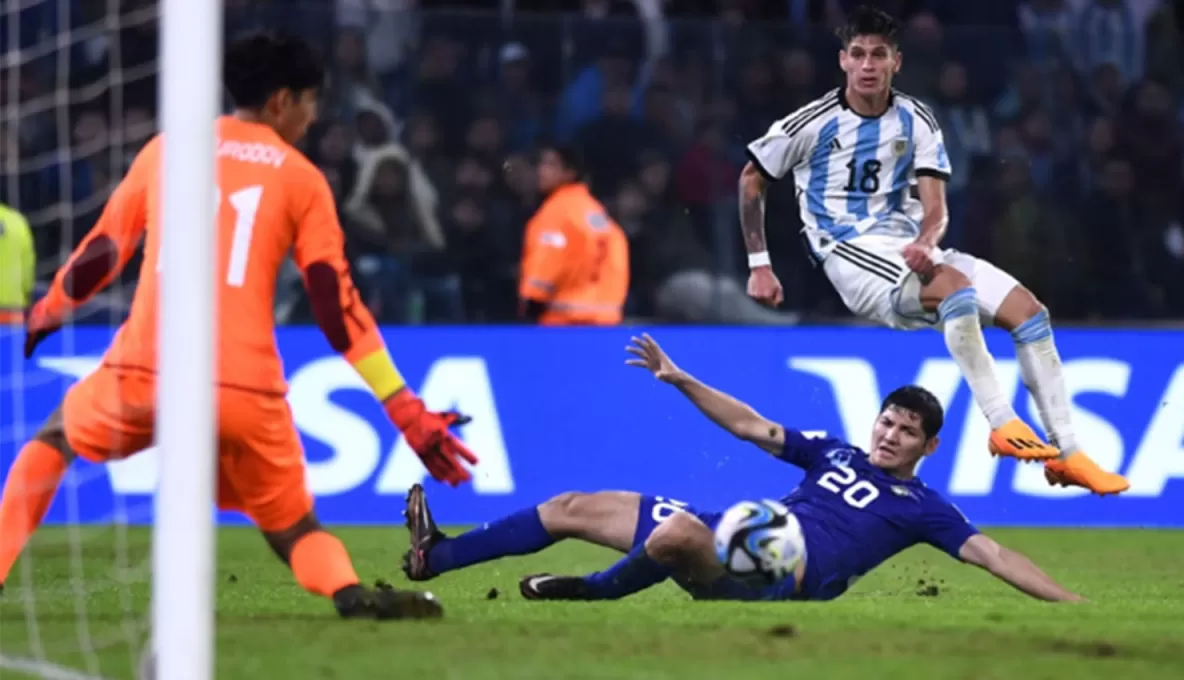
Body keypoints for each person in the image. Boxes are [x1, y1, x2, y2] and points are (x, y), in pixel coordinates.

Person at [0, 34, 478, 620]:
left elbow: (103, 251)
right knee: (295, 528)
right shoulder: (302, 180)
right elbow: (334, 304)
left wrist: (49, 309)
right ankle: (349, 594)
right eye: (310, 101)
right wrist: (402, 406)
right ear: (281, 101)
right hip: (244, 386)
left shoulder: (167, 150)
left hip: (147, 367)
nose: (314, 114)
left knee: (53, 440)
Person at [736, 7, 1126, 495]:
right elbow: (752, 177)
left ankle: (1068, 454)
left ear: (896, 61)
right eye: (858, 54)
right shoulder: (812, 123)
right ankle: (1002, 423)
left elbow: (935, 207)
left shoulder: (916, 119)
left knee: (1031, 314)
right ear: (842, 61)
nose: (868, 65)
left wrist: (926, 240)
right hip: (847, 250)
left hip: (906, 242)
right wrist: (760, 265)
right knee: (956, 291)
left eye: (879, 54)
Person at [401, 333, 1084, 604]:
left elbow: (992, 555)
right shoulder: (837, 453)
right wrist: (680, 379)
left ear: (928, 447)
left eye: (908, 432)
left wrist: (1070, 605)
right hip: (739, 533)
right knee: (573, 505)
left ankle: (594, 592)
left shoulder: (923, 507)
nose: (891, 435)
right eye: (888, 421)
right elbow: (750, 425)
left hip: (781, 569)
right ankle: (440, 556)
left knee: (675, 538)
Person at [518, 145, 630, 325]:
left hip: (563, 323)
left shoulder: (556, 213)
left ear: (570, 172)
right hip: (605, 324)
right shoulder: (597, 213)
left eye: (550, 165)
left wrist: (531, 300)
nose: (541, 171)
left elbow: (545, 262)